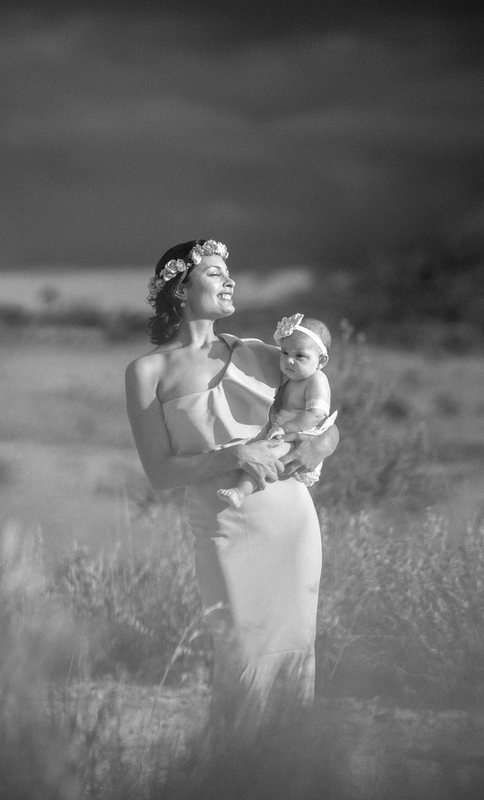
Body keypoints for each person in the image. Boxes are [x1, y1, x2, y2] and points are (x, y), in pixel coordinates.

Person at [124, 239, 339, 733]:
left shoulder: (262, 354)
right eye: (215, 272)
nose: (230, 280)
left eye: (229, 272)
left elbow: (323, 418)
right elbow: (160, 473)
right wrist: (234, 455)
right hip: (223, 522)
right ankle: (235, 766)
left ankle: (291, 766)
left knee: (294, 652)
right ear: (182, 288)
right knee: (240, 655)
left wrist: (322, 446)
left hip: (289, 519)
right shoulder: (146, 372)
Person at [217, 314, 335, 509]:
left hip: (299, 437)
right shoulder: (292, 377)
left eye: (300, 356)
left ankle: (240, 491)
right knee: (261, 451)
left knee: (268, 456)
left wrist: (286, 428)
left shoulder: (317, 379)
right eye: (285, 353)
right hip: (282, 430)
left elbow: (316, 414)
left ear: (321, 361)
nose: (289, 361)